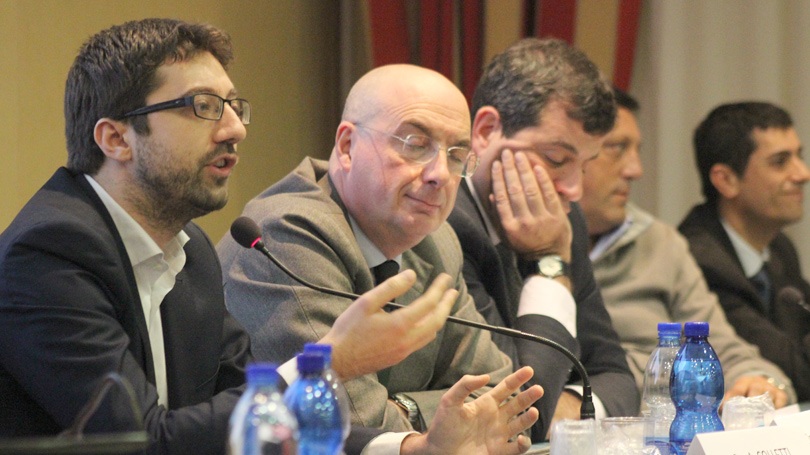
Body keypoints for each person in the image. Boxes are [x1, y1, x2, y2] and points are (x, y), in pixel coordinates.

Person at [0, 19, 542, 455]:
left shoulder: (189, 253)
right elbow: (144, 441)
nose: (235, 129)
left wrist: (412, 448)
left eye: (234, 107)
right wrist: (327, 364)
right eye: (203, 107)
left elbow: (252, 417)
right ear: (116, 138)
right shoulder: (49, 253)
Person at [217, 63, 517, 445]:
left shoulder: (437, 243)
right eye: (415, 144)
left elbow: (503, 399)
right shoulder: (286, 236)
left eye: (457, 155)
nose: (440, 174)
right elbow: (352, 427)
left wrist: (405, 408)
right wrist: (439, 421)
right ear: (347, 146)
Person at [447, 37, 638, 440]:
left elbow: (617, 378)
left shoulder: (566, 218)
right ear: (486, 131)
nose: (573, 190)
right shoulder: (441, 223)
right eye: (556, 159)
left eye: (585, 165)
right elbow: (516, 406)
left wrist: (560, 413)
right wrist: (549, 260)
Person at [581, 90, 794, 407]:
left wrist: (761, 381)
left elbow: (725, 349)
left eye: (637, 150)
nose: (636, 170)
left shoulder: (661, 242)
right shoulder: (522, 248)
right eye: (616, 148)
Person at [679, 102, 810, 401]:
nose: (803, 174)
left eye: (799, 157)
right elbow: (797, 373)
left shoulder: (779, 246)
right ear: (726, 180)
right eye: (780, 162)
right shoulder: (699, 260)